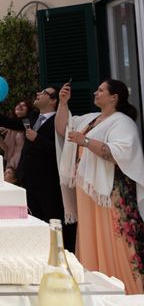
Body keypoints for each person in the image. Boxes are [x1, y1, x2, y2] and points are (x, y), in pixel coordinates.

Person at [56, 79, 144, 294]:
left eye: (101, 90)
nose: (96, 92)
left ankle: (127, 289)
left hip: (110, 192)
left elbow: (119, 153)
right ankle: (95, 288)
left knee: (115, 239)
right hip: (89, 192)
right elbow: (62, 129)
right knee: (90, 236)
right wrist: (63, 103)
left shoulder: (122, 122)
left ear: (114, 97)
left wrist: (85, 142)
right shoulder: (91, 119)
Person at [0, 86, 73, 249]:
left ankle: (57, 254)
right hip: (28, 179)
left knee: (51, 220)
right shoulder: (32, 118)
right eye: (39, 91)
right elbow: (9, 122)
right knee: (33, 220)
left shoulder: (60, 120)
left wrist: (37, 138)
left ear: (53, 101)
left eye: (44, 93)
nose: (38, 94)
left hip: (48, 182)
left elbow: (62, 150)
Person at [0, 99, 33, 183]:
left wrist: (8, 128)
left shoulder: (28, 122)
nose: (20, 106)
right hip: (11, 164)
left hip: (23, 164)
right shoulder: (11, 126)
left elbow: (26, 130)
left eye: (24, 105)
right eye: (18, 104)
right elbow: (6, 148)